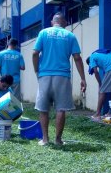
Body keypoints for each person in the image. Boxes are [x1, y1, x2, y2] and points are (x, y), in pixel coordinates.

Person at [32, 12, 87, 146]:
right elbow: (77, 58)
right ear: (65, 23)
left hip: (44, 75)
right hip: (62, 76)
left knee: (43, 109)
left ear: (52, 22)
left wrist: (37, 70)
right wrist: (83, 79)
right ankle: (58, 140)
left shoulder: (43, 33)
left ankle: (45, 139)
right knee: (60, 109)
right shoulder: (70, 36)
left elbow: (35, 53)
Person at [86, 49, 111, 120]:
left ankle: (97, 114)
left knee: (102, 92)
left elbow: (96, 72)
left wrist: (100, 84)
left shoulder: (92, 57)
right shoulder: (100, 54)